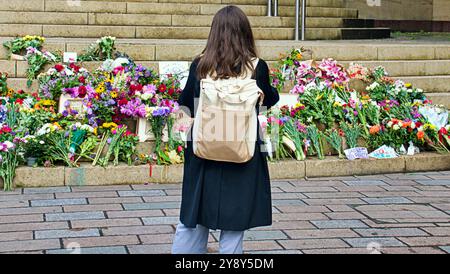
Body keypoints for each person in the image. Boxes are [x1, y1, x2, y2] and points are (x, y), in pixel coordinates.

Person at [171, 5, 280, 254]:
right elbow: (270, 100)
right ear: (244, 33)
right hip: (242, 147)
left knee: (193, 216)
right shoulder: (256, 67)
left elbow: (186, 102)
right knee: (234, 222)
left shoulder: (200, 65)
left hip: (203, 145)